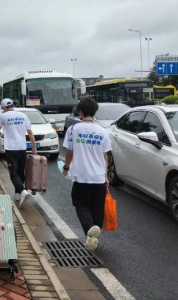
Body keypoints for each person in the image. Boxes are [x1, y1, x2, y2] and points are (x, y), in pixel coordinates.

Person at [62, 97, 111, 252]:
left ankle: (90, 231)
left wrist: (66, 167)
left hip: (81, 177)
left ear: (80, 112)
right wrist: (105, 176)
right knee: (97, 208)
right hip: (98, 178)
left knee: (80, 204)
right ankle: (94, 235)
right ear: (95, 111)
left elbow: (70, 152)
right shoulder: (103, 131)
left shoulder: (73, 130)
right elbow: (105, 156)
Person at [0, 98, 38, 208]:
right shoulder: (23, 116)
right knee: (20, 171)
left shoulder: (3, 116)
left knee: (13, 173)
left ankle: (22, 191)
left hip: (10, 149)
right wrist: (34, 146)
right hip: (22, 148)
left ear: (4, 107)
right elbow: (30, 132)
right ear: (13, 105)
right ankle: (18, 193)